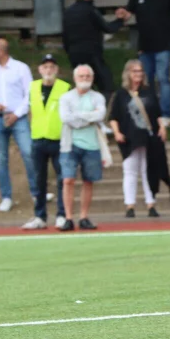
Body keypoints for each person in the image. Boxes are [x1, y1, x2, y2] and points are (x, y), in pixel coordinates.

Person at [109, 60, 167, 218]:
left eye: (140, 71)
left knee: (148, 170)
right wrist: (116, 132)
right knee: (130, 170)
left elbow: (157, 113)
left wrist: (162, 127)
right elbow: (113, 116)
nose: (138, 74)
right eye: (135, 71)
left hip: (148, 137)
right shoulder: (121, 94)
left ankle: (151, 204)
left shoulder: (148, 92)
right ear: (128, 73)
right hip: (129, 137)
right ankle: (130, 205)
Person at [22, 55, 69, 230]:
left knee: (62, 178)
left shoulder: (64, 88)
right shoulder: (33, 87)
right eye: (45, 67)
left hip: (58, 139)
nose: (48, 70)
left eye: (51, 67)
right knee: (39, 179)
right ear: (40, 70)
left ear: (56, 70)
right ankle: (40, 215)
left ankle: (62, 214)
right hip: (38, 138)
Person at [58, 65, 107, 232]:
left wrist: (78, 116)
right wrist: (88, 117)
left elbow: (100, 115)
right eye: (81, 76)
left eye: (88, 76)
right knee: (68, 180)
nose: (85, 79)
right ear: (75, 78)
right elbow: (66, 118)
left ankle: (84, 216)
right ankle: (69, 218)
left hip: (92, 144)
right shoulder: (66, 98)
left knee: (88, 181)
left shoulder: (98, 97)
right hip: (69, 144)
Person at [62, 0, 124, 106]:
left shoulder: (68, 12)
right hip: (92, 53)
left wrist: (69, 52)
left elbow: (65, 36)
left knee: (82, 83)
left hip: (74, 54)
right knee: (106, 82)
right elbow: (107, 28)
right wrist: (120, 20)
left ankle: (81, 107)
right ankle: (106, 110)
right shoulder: (90, 10)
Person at [0, 38, 38, 212]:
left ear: (1, 50)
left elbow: (30, 94)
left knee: (28, 152)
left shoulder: (21, 68)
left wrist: (17, 114)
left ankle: (37, 192)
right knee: (1, 158)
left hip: (18, 118)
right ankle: (6, 196)